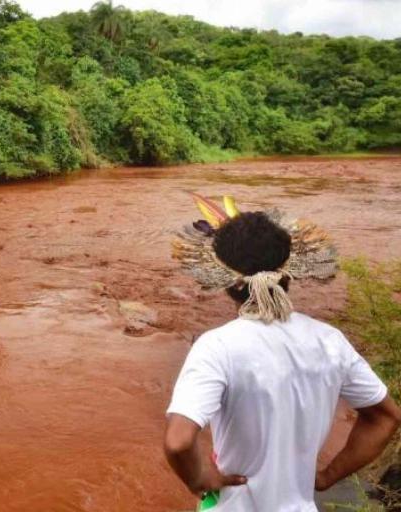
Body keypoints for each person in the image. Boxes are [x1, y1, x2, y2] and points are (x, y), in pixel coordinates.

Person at [165, 203, 401, 511]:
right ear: (288, 272)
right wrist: (328, 476)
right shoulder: (330, 341)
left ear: (228, 282)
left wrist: (199, 477)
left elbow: (178, 441)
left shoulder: (217, 347)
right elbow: (386, 417)